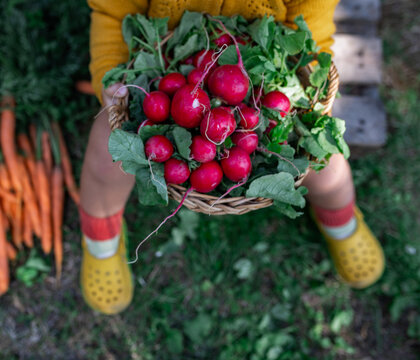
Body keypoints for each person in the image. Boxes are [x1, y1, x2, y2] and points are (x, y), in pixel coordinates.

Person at [80, 0, 385, 315]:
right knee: (106, 161)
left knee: (325, 166)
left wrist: (312, 87)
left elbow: (311, 33)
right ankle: (100, 243)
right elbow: (112, 14)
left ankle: (341, 223)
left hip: (262, 64)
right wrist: (110, 75)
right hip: (154, 70)